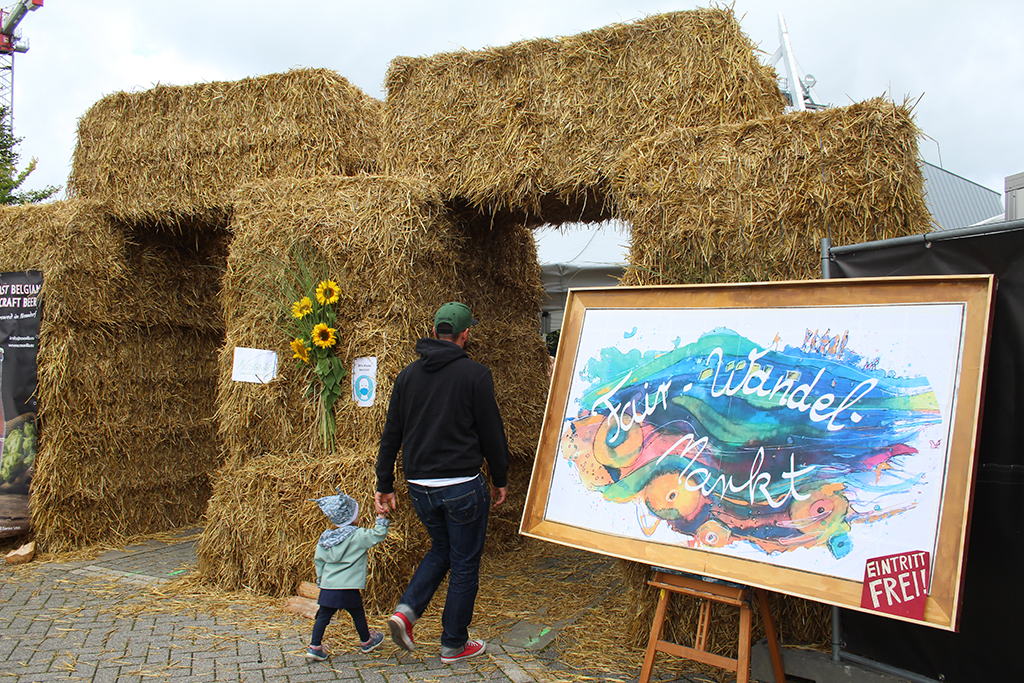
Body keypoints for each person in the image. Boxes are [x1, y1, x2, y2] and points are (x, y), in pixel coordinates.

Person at [374, 301, 510, 663]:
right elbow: (491, 433)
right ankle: (453, 643)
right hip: (463, 485)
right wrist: (500, 477)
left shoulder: (407, 376)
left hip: (420, 488)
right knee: (464, 563)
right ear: (465, 335)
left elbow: (392, 434)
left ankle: (406, 612)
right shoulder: (476, 375)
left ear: (434, 332)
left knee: (441, 550)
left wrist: (383, 483)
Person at [305, 488, 390, 662]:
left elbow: (318, 561)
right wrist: (381, 517)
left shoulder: (326, 539)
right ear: (352, 517)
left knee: (323, 616)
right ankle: (366, 641)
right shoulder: (357, 536)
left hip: (329, 586)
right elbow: (378, 535)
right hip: (348, 587)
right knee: (357, 613)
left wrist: (320, 579)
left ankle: (314, 646)